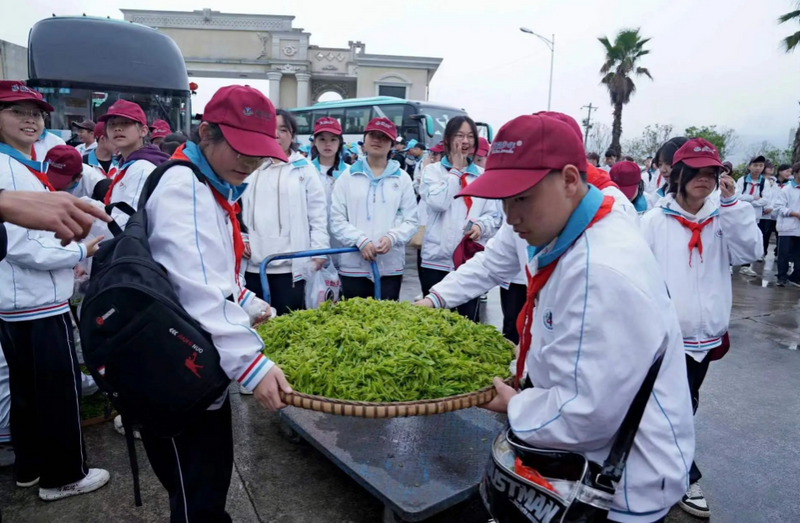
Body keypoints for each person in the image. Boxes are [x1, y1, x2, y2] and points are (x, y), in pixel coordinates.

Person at [456, 113, 694, 523]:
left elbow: (583, 416)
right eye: (504, 201)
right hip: (594, 463)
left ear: (569, 179)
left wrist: (515, 405)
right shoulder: (570, 236)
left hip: (619, 486)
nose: (510, 217)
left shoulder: (598, 271)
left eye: (522, 198)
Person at [143, 84, 290, 522]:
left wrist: (248, 303)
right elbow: (196, 289)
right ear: (206, 133)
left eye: (259, 152)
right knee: (196, 489)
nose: (250, 162)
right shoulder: (183, 186)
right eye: (241, 148)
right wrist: (254, 365)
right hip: (177, 368)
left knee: (207, 477)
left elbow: (215, 276)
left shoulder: (209, 186)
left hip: (192, 361)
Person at [640, 139, 761, 519]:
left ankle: (669, 471)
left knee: (683, 405)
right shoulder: (654, 222)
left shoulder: (724, 217)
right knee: (669, 407)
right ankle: (681, 475)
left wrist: (733, 208)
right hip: (664, 337)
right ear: (678, 174)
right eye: (696, 171)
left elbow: (750, 253)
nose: (704, 180)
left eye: (712, 172)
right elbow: (639, 277)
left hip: (705, 337)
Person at [0, 80, 109, 501]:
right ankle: (63, 475)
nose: (30, 120)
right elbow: (25, 244)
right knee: (58, 394)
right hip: (38, 302)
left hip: (17, 302)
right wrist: (81, 249)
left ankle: (30, 467)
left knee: (27, 393)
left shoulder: (22, 164)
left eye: (36, 113)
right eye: (16, 111)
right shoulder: (9, 170)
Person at [241, 109, 329, 315]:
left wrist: (319, 250)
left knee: (288, 327)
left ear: (292, 135)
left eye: (283, 130)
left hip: (290, 268)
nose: (276, 135)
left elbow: (317, 213)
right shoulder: (249, 166)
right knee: (257, 323)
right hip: (254, 265)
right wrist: (240, 236)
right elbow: (235, 208)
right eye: (270, 129)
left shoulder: (303, 168)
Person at [419, 116, 501, 320]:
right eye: (460, 136)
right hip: (434, 260)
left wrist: (481, 226)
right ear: (447, 139)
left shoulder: (483, 176)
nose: (465, 141)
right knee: (433, 323)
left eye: (470, 136)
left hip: (466, 261)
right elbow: (438, 202)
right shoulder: (432, 172)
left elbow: (494, 215)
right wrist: (455, 172)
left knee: (465, 323)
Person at [330, 118, 418, 300]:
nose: (377, 140)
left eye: (383, 137)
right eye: (373, 135)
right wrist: (360, 240)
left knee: (386, 323)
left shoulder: (402, 179)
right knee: (353, 323)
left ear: (392, 145)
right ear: (364, 140)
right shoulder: (348, 176)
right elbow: (336, 219)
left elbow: (411, 221)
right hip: (353, 265)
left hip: (390, 266)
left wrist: (392, 237)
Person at [98, 100, 170, 226]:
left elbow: (129, 223)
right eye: (111, 124)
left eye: (125, 123)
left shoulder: (143, 168)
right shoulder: (127, 163)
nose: (117, 128)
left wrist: (90, 217)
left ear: (143, 131)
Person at [735, 155, 767, 276]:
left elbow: (765, 200)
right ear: (749, 167)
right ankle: (731, 264)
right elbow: (738, 196)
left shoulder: (764, 182)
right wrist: (753, 198)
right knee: (736, 238)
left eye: (761, 166)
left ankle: (746, 266)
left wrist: (749, 202)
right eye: (755, 165)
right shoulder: (742, 180)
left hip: (755, 216)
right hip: (740, 214)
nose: (758, 168)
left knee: (750, 240)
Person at [773, 170, 800, 286]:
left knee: (798, 255)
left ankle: (796, 277)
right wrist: (794, 213)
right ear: (797, 173)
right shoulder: (786, 189)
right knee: (783, 254)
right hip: (787, 227)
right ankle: (782, 277)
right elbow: (779, 207)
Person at [757, 161, 781, 262]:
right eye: (769, 167)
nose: (771, 169)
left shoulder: (774, 182)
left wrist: (771, 207)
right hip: (758, 210)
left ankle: (762, 252)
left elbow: (775, 196)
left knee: (765, 234)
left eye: (773, 167)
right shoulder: (759, 180)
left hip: (768, 213)